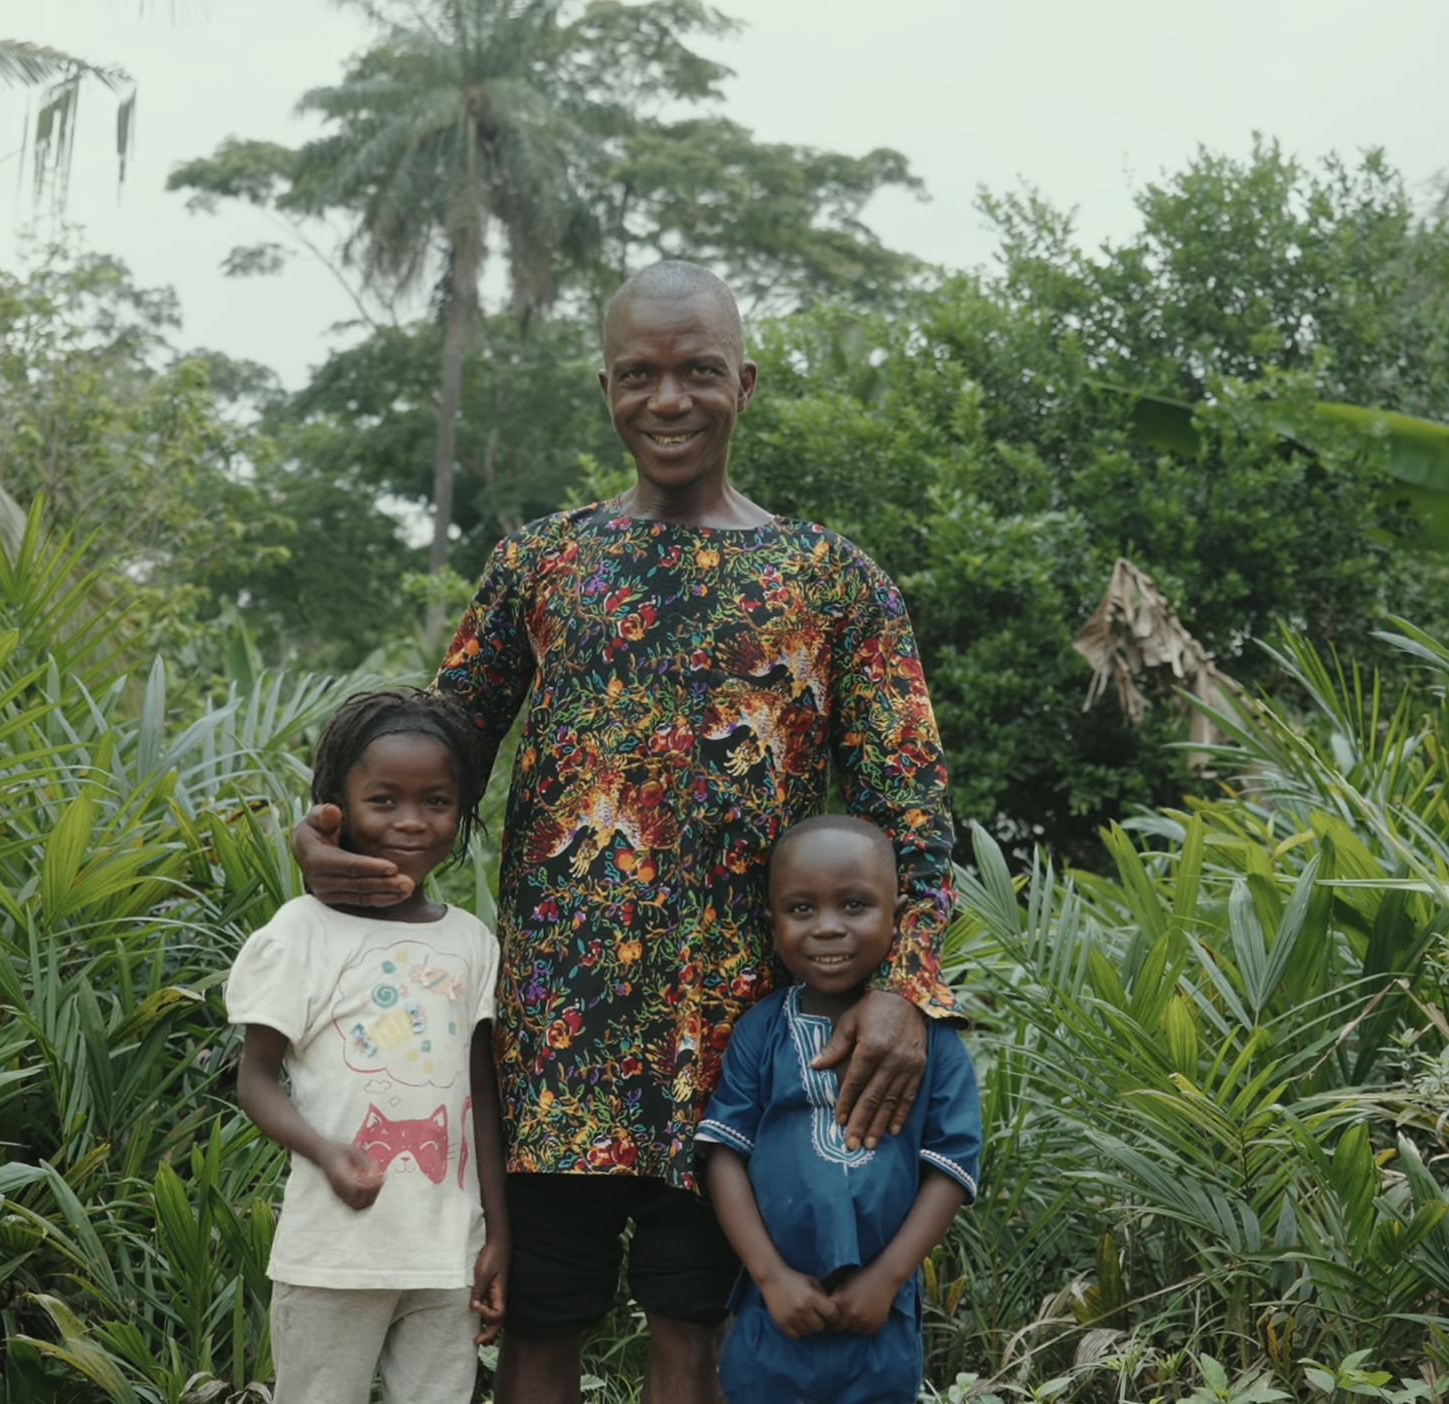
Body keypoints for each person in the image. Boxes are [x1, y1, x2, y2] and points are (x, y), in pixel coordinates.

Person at [295, 259, 960, 1404]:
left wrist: (907, 984)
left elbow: (912, 809)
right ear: (605, 387)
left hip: (744, 1042)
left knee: (692, 1325)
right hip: (559, 1035)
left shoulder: (834, 580)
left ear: (742, 382)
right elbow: (431, 751)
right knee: (540, 1323)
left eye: (698, 373)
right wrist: (325, 843)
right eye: (639, 376)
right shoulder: (543, 565)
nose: (669, 401)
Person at [226, 689, 509, 1404]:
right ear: (336, 807)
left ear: (463, 809)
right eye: (384, 800)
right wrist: (324, 1152)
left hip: (446, 1256)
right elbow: (255, 1081)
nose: (411, 821)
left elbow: (480, 1099)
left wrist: (496, 1234)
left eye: (436, 801)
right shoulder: (302, 931)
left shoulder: (470, 941)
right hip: (333, 1256)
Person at [696, 815, 979, 1404]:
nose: (828, 928)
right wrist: (771, 1276)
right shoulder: (759, 1032)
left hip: (880, 1315)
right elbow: (722, 1154)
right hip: (772, 1309)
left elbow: (951, 1169)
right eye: (802, 909)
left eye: (854, 905)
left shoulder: (933, 1043)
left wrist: (886, 1279)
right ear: (772, 925)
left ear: (898, 917)